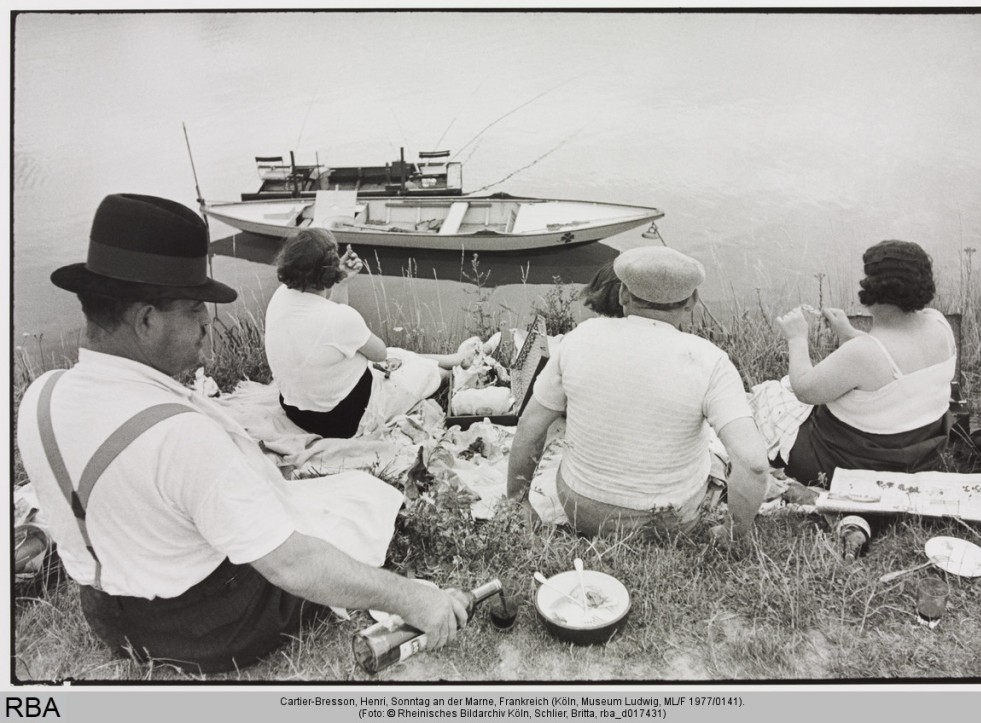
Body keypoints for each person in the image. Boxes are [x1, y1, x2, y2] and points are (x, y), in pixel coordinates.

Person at [16, 194, 468, 673]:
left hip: (105, 615)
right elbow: (290, 565)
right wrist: (414, 599)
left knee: (326, 502)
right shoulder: (181, 436)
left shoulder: (42, 395)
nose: (207, 328)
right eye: (195, 310)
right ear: (146, 320)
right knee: (353, 508)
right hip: (205, 626)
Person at [507, 246, 768, 543]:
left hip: (581, 509)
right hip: (669, 522)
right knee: (713, 454)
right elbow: (754, 464)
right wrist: (734, 532)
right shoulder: (711, 360)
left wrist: (517, 501)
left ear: (623, 296)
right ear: (692, 301)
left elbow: (530, 425)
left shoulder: (580, 338)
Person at [773, 240, 956, 486]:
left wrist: (796, 338)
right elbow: (890, 360)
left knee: (771, 397)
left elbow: (804, 390)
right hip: (921, 451)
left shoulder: (863, 353)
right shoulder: (939, 325)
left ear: (873, 288)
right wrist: (848, 333)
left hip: (855, 461)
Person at [264, 227, 468, 439]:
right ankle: (458, 368)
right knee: (425, 372)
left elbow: (330, 324)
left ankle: (457, 358)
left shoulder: (281, 297)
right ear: (329, 271)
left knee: (395, 353)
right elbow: (379, 354)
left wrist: (341, 281)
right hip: (342, 419)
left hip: (298, 412)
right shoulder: (339, 319)